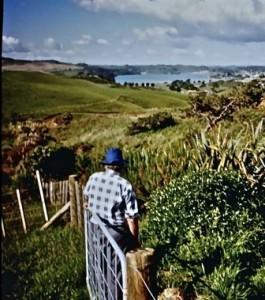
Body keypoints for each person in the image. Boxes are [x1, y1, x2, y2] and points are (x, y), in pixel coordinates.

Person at [83, 147, 140, 299]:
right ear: (121, 166)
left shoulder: (94, 177)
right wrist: (134, 240)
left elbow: (86, 198)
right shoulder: (124, 185)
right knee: (115, 271)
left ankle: (101, 295)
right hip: (115, 232)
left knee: (100, 265)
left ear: (106, 165)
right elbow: (132, 217)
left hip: (95, 227)